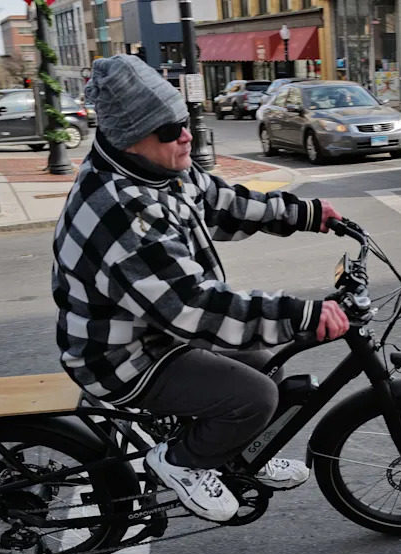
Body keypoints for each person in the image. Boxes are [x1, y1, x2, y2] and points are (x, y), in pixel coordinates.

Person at [52, 55, 349, 522]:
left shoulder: (157, 170)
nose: (187, 135)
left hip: (153, 335)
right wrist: (300, 315)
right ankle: (180, 463)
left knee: (265, 359)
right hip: (120, 359)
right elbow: (192, 307)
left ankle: (232, 451)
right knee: (256, 396)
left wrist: (304, 214)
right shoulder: (121, 209)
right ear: (131, 139)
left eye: (185, 122)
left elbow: (221, 202)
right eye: (170, 130)